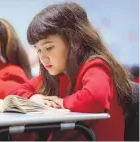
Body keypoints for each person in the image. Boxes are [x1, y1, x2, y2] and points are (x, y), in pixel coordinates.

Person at [10, 2, 133, 141]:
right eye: (38, 50)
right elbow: (15, 91)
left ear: (76, 41)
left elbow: (95, 98)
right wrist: (33, 97)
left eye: (49, 47)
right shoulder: (58, 74)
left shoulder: (95, 66)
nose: (42, 57)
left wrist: (62, 102)